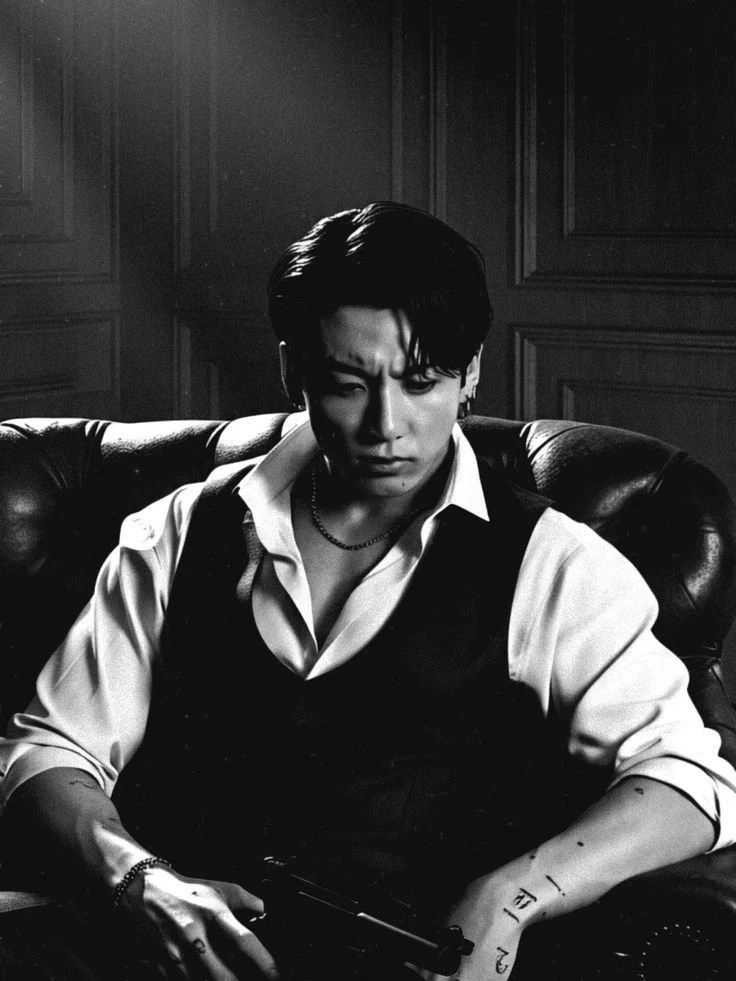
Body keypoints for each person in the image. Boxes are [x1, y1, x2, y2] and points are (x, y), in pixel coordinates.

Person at [1, 201, 735, 981]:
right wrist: (140, 880)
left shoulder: (551, 562)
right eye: (348, 383)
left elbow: (688, 781)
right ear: (294, 371)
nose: (387, 425)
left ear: (469, 373)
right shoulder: (180, 530)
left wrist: (513, 896)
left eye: (421, 382)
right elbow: (51, 750)